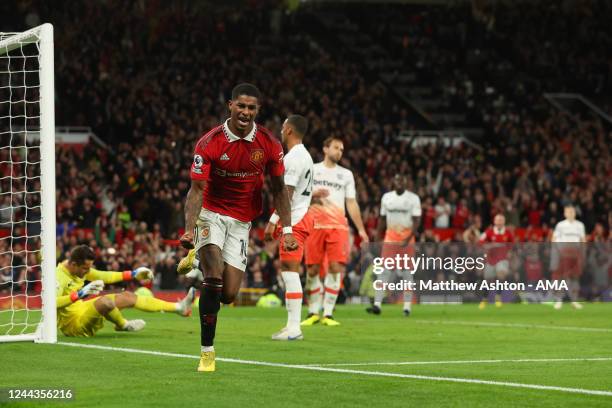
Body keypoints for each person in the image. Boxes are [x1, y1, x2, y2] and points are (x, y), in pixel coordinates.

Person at [180, 83, 296, 372]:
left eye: (251, 108)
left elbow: (279, 188)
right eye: (241, 106)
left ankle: (198, 282)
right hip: (210, 214)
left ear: (258, 111)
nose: (246, 112)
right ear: (230, 105)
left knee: (229, 294)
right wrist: (188, 229)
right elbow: (196, 190)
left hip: (242, 221)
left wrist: (289, 229)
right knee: (215, 277)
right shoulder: (209, 143)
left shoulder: (269, 144)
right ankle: (207, 352)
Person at [301, 137, 368, 327]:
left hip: (338, 226)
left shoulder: (346, 174)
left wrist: (361, 229)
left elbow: (351, 202)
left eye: (342, 149)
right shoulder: (312, 170)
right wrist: (313, 195)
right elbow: (299, 194)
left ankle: (328, 313)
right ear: (325, 148)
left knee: (335, 268)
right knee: (312, 269)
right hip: (314, 224)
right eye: (336, 148)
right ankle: (313, 311)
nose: (340, 151)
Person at [56, 245, 195, 337]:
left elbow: (105, 276)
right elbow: (52, 304)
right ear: (73, 264)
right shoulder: (58, 277)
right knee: (105, 301)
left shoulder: (80, 269)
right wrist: (79, 295)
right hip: (73, 326)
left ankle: (179, 308)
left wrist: (133, 274)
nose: (87, 272)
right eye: (85, 269)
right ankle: (123, 324)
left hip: (83, 309)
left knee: (128, 296)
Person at [263, 114, 314, 341]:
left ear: (290, 130)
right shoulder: (305, 156)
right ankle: (291, 325)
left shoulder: (294, 157)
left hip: (296, 218)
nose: (281, 132)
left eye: (283, 128)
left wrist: (275, 221)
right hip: (300, 217)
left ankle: (294, 328)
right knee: (288, 270)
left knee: (290, 271)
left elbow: (287, 194)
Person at [366, 174, 421, 316]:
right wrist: (378, 238)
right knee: (384, 271)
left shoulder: (413, 198)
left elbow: (416, 221)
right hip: (390, 237)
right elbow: (382, 219)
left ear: (406, 182)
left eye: (402, 180)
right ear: (393, 182)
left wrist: (408, 238)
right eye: (397, 180)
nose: (399, 183)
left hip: (406, 238)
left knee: (407, 273)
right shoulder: (386, 198)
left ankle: (407, 306)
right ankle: (377, 305)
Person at [551, 204, 586, 310]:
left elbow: (583, 240)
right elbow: (554, 238)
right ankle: (559, 301)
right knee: (561, 277)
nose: (570, 213)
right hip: (563, 254)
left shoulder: (580, 225)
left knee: (575, 277)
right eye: (568, 211)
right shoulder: (560, 225)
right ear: (565, 213)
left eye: (572, 211)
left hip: (575, 254)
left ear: (575, 213)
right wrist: (558, 251)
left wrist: (583, 253)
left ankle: (574, 301)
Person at [478, 214, 514, 309]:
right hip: (491, 260)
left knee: (501, 274)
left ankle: (498, 297)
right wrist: (487, 246)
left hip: (502, 259)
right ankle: (484, 299)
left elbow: (512, 244)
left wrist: (509, 252)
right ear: (494, 222)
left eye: (501, 220)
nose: (499, 222)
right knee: (487, 280)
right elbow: (480, 241)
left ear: (504, 222)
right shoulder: (489, 232)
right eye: (498, 220)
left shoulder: (508, 233)